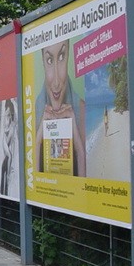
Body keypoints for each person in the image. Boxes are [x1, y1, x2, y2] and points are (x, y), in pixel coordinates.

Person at [35, 39, 86, 176]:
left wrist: (73, 124)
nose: (57, 82)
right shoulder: (34, 111)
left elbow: (85, 184)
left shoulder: (81, 109)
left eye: (62, 57)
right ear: (42, 62)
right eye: (49, 60)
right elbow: (32, 180)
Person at [0, 99, 19, 197]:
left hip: (11, 170)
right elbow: (9, 155)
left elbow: (15, 121)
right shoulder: (4, 136)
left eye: (8, 116)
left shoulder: (12, 127)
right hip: (8, 167)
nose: (6, 121)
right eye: (5, 117)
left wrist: (14, 103)